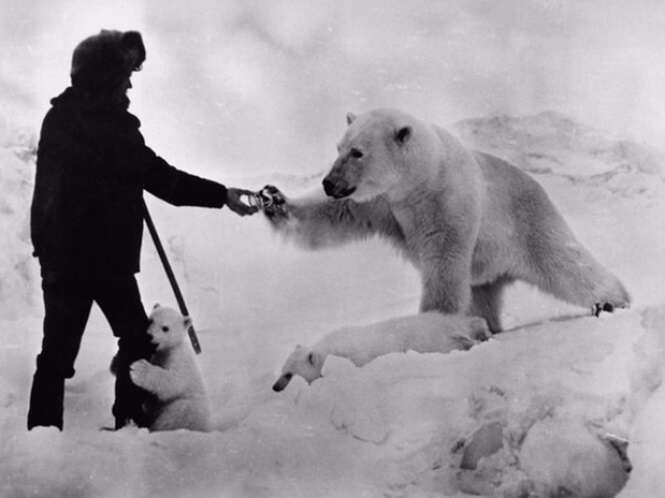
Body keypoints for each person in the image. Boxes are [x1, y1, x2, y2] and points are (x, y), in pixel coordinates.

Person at [27, 29, 258, 431]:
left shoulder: (60, 116)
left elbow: (54, 190)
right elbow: (163, 179)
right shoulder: (112, 127)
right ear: (106, 77)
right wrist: (223, 195)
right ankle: (128, 423)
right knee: (134, 341)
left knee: (58, 353)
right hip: (103, 261)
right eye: (126, 75)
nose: (131, 83)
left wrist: (48, 250)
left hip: (62, 258)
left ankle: (42, 438)